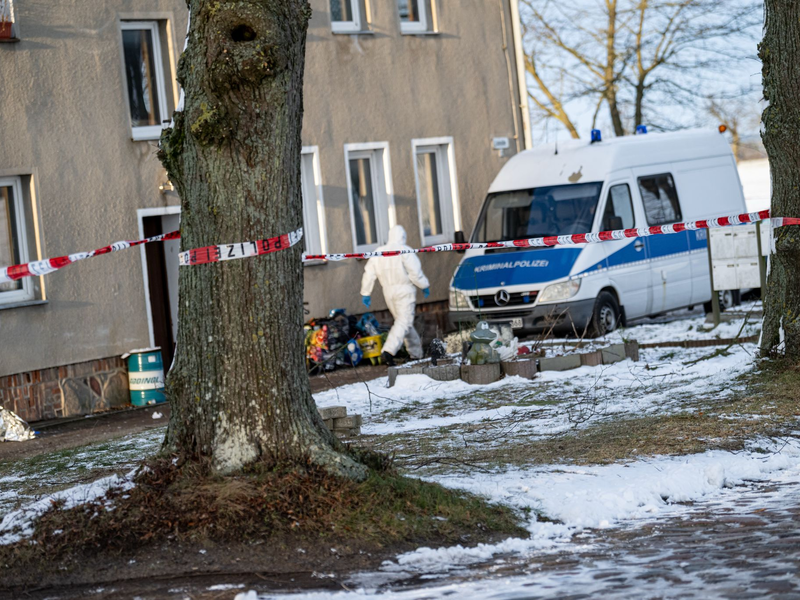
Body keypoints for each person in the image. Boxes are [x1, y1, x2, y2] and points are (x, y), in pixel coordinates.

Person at [360, 225, 430, 366]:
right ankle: (389, 351)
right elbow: (415, 273)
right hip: (405, 290)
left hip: (388, 292)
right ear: (403, 236)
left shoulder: (379, 252)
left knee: (404, 323)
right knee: (404, 322)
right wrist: (424, 285)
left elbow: (369, 273)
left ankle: (416, 354)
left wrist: (366, 292)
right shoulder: (405, 251)